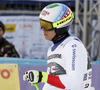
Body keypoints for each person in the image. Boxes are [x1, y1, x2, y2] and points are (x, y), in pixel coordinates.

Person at [23, 3, 92, 90]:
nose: (42, 29)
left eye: (47, 25)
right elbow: (51, 83)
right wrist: (42, 78)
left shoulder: (73, 46)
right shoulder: (52, 49)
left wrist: (42, 77)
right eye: (42, 24)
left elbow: (75, 83)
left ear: (60, 26)